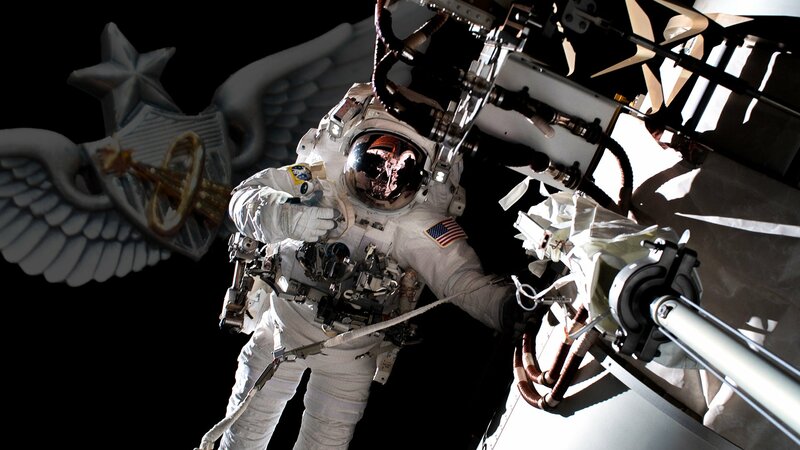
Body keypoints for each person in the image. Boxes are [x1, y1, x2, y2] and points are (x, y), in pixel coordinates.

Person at [219, 82, 516, 450]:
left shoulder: (419, 226)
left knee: (323, 444)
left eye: (401, 170)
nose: (383, 180)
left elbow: (462, 281)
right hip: (282, 328)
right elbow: (245, 196)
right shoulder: (316, 180)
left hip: (351, 355)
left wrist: (507, 309)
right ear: (350, 150)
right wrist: (281, 216)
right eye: (374, 161)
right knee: (243, 435)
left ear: (423, 178)